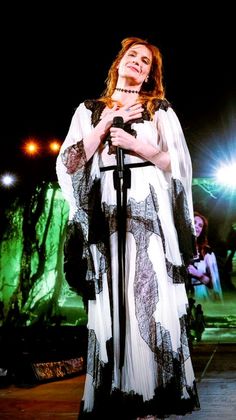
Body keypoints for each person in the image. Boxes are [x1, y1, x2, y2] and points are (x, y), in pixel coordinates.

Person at [56, 37, 200, 420]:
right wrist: (103, 125)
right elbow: (69, 164)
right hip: (107, 214)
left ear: (151, 75)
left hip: (149, 214)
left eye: (147, 62)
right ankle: (119, 394)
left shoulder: (159, 110)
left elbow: (178, 165)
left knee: (146, 297)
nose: (139, 63)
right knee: (114, 299)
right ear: (119, 62)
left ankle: (151, 398)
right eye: (133, 56)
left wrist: (141, 148)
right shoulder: (88, 110)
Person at [188, 211, 223, 302]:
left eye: (200, 225)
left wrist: (197, 274)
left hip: (201, 298)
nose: (197, 227)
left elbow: (213, 284)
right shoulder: (178, 247)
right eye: (194, 222)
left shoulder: (206, 252)